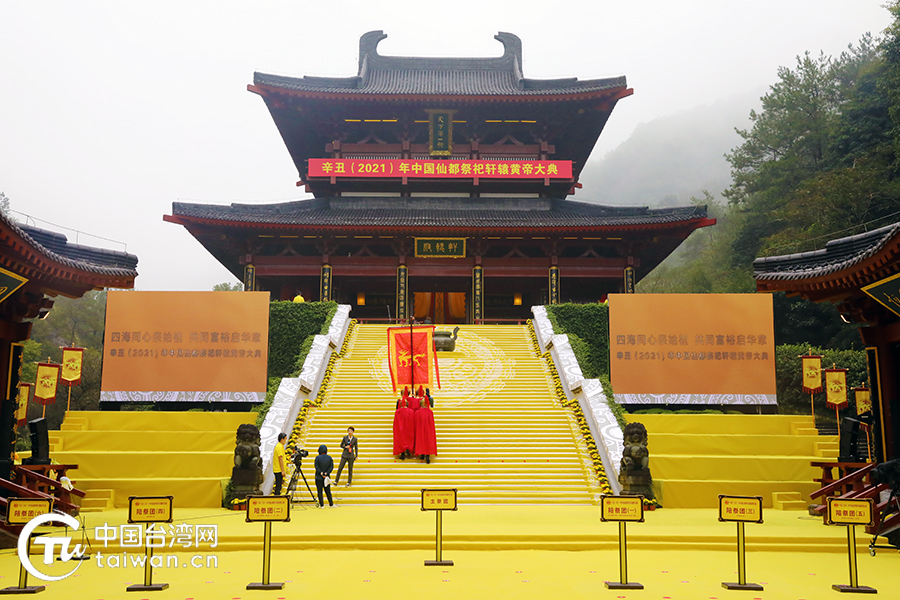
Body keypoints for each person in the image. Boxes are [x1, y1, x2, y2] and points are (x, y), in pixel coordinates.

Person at [414, 389, 437, 464]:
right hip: (428, 429)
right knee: (428, 441)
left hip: (420, 429)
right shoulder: (430, 412)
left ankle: (422, 455)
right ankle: (427, 456)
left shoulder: (417, 412)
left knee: (421, 441)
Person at [393, 388, 415, 459]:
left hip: (401, 422)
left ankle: (402, 453)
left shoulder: (398, 408)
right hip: (408, 422)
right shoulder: (411, 403)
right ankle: (408, 449)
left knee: (401, 438)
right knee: (408, 437)